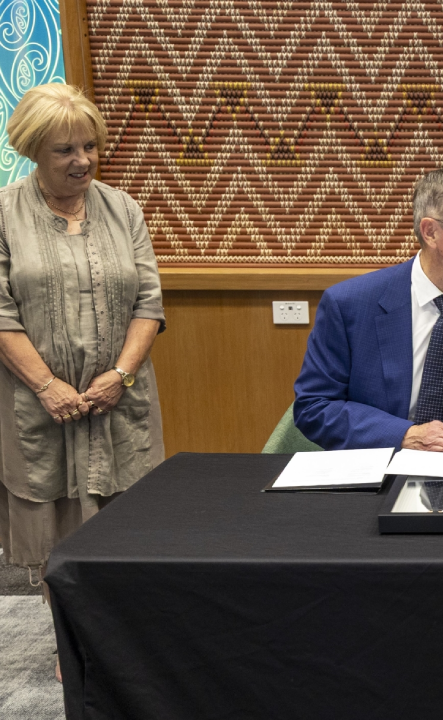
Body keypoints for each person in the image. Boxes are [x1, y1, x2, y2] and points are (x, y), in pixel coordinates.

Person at [0, 84, 166, 676]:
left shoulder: (123, 207)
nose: (82, 161)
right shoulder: (3, 213)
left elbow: (149, 301)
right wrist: (47, 385)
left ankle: (130, 639)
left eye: (90, 146)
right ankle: (72, 644)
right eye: (64, 150)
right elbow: (0, 312)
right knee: (59, 521)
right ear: (31, 151)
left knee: (129, 517)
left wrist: (120, 373)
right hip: (40, 404)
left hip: (119, 401)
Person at [293, 167, 443, 458]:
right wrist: (403, 435)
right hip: (375, 473)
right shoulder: (349, 304)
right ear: (431, 232)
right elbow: (314, 406)